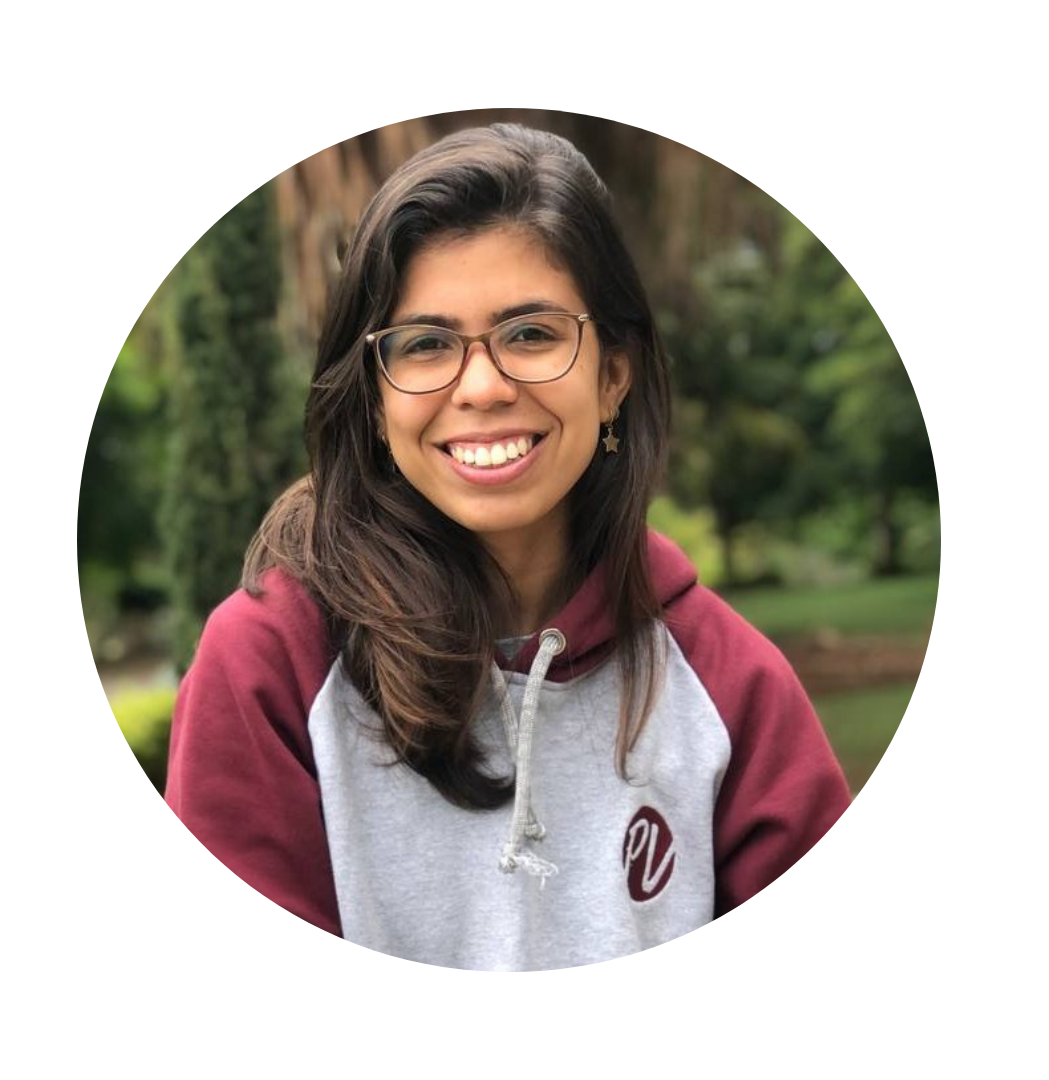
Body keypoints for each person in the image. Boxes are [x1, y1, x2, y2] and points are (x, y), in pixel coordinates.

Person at [165, 123, 851, 971]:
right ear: (374, 400)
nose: (483, 387)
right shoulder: (270, 665)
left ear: (613, 374)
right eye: (426, 344)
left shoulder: (729, 685)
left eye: (531, 333)